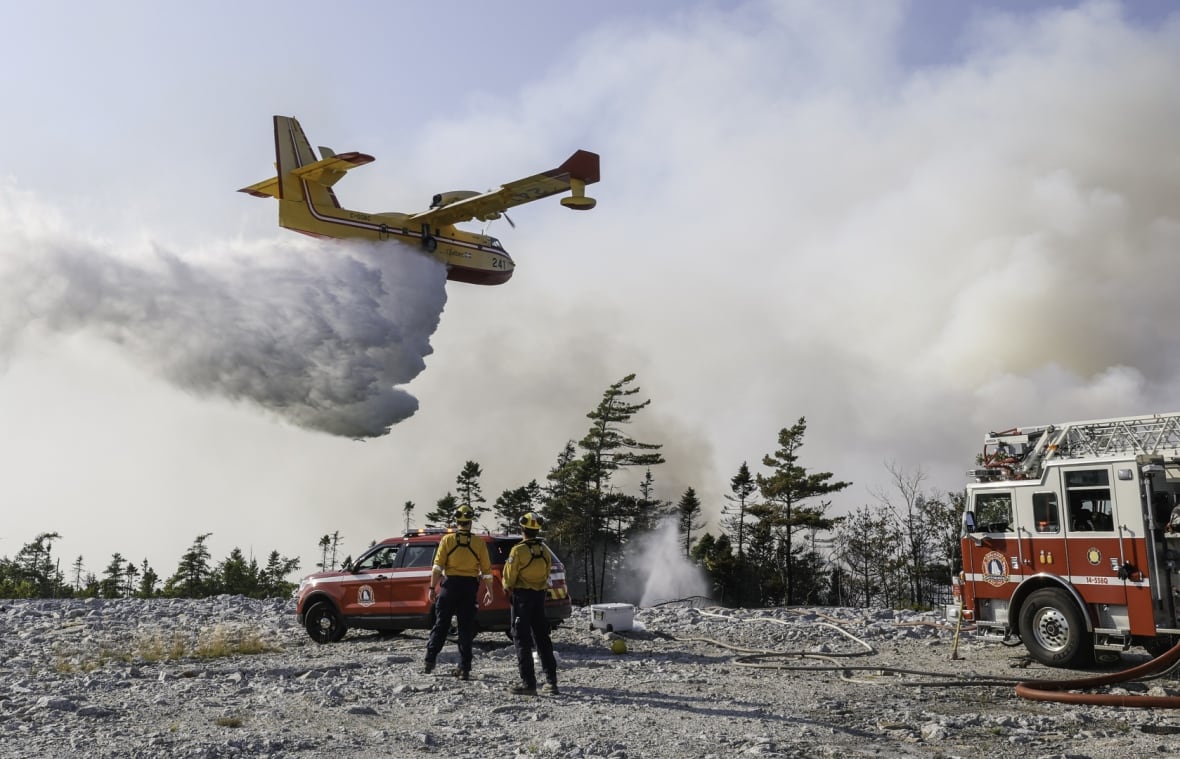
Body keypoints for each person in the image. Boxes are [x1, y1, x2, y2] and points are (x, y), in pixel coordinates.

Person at [423, 505, 494, 680]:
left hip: (449, 586)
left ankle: (430, 660)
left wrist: (432, 588)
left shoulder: (447, 540)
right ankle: (465, 669)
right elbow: (486, 570)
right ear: (470, 522)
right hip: (469, 588)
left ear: (457, 522)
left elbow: (437, 566)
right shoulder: (478, 543)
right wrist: (490, 590)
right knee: (465, 628)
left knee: (441, 624)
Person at [502, 512, 559, 696]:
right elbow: (547, 572)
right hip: (539, 598)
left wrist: (507, 590)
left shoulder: (518, 551)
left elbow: (509, 578)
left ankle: (528, 683)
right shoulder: (544, 550)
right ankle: (551, 682)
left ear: (522, 529)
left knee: (521, 639)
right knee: (542, 638)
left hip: (522, 599)